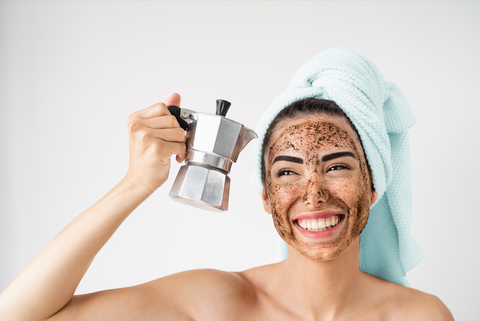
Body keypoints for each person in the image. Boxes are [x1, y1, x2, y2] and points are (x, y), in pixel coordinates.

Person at [0, 48, 454, 320]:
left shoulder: (419, 316)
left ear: (374, 188)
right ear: (265, 196)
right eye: (288, 171)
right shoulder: (217, 304)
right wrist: (134, 184)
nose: (313, 193)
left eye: (337, 166)